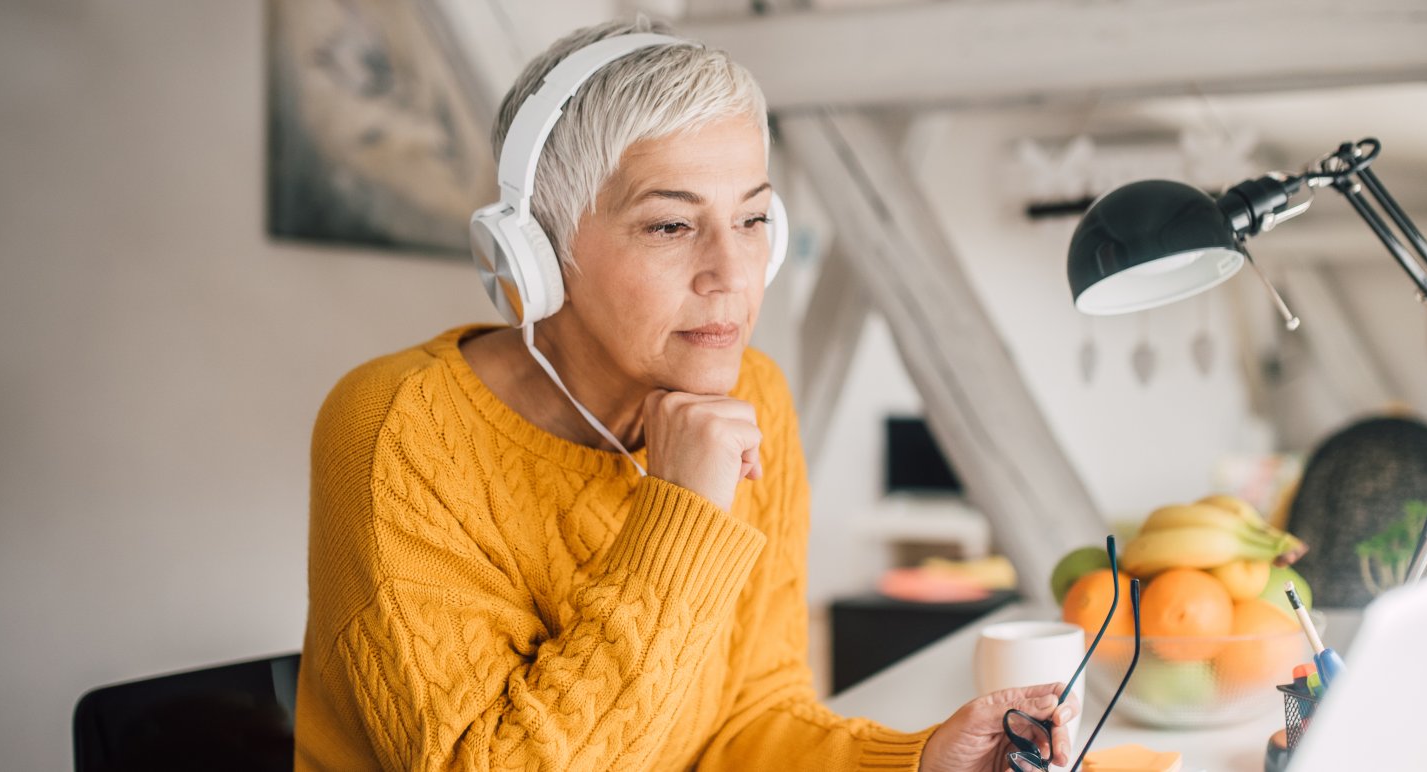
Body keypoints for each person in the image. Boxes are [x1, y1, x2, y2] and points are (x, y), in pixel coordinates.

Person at [292, 16, 1075, 772]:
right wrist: (683, 513)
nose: (732, 275)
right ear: (537, 251)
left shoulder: (755, 398)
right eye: (671, 226)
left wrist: (916, 763)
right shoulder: (398, 430)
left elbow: (751, 720)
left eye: (752, 219)